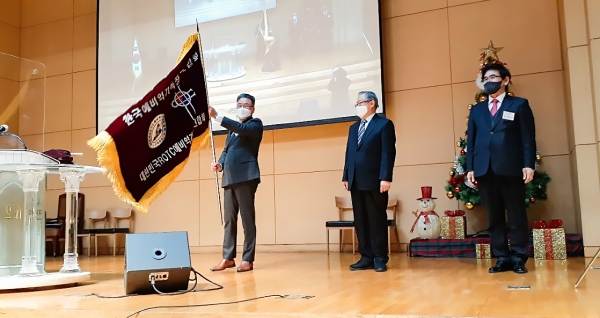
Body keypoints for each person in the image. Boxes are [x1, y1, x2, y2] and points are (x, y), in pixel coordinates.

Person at [466, 63, 536, 274]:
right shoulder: (477, 110)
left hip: (511, 167)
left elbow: (527, 138)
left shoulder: (519, 105)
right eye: (486, 79)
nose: (489, 82)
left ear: (505, 80)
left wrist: (528, 165)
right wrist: (470, 167)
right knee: (494, 216)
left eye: (493, 77)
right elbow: (472, 141)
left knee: (516, 215)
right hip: (484, 169)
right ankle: (502, 257)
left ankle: (518, 257)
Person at [208, 93, 263, 273]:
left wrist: (217, 116)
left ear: (252, 108)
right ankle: (228, 257)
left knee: (247, 219)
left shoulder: (255, 125)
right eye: (239, 104)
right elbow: (226, 151)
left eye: (246, 105)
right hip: (229, 177)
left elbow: (240, 127)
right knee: (229, 220)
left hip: (246, 177)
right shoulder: (232, 131)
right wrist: (220, 164)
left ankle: (247, 259)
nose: (242, 107)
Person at [342, 91, 396, 272]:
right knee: (361, 220)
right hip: (356, 180)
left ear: (371, 103)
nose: (357, 106)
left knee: (376, 219)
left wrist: (386, 177)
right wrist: (346, 175)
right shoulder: (353, 128)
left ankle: (380, 257)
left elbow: (388, 153)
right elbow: (349, 153)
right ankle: (366, 256)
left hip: (375, 180)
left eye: (360, 102)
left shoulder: (384, 124)